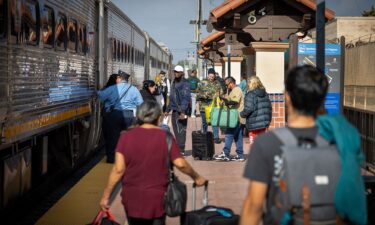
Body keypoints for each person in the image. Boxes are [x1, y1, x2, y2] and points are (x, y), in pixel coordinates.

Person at [240, 65, 367, 225]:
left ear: (287, 97)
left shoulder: (267, 143)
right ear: (321, 98)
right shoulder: (341, 137)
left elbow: (254, 207)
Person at [100, 101, 207, 225]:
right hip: (158, 197)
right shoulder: (165, 136)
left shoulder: (125, 137)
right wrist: (196, 177)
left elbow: (118, 170)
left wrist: (106, 196)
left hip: (131, 197)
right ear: (157, 117)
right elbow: (180, 164)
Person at [97, 72, 143, 163]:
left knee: (112, 137)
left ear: (119, 78)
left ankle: (112, 159)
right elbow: (140, 103)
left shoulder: (112, 88)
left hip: (114, 115)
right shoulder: (134, 89)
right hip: (129, 115)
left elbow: (101, 96)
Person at [214, 77, 245, 161]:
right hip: (235, 117)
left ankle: (226, 153)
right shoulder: (232, 91)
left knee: (229, 134)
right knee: (238, 137)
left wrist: (226, 101)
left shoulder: (237, 89)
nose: (227, 86)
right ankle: (240, 155)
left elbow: (235, 101)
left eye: (227, 84)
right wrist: (221, 97)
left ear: (231, 83)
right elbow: (228, 100)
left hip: (236, 117)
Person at [166, 65, 191, 155]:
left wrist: (183, 110)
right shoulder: (174, 82)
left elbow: (186, 97)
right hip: (174, 110)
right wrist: (167, 109)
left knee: (181, 130)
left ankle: (181, 149)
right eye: (174, 72)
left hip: (181, 110)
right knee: (176, 130)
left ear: (181, 73)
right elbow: (172, 97)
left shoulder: (185, 83)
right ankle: (179, 148)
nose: (175, 73)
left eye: (177, 72)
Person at [240, 76, 272, 145]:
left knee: (253, 145)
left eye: (249, 83)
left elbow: (249, 109)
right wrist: (268, 120)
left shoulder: (250, 94)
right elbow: (269, 108)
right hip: (264, 123)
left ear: (252, 84)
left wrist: (242, 114)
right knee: (262, 143)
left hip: (253, 123)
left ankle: (255, 155)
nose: (248, 85)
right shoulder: (265, 93)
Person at [196, 68, 222, 143]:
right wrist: (203, 95)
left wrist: (219, 94)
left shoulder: (217, 83)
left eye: (212, 77)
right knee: (204, 122)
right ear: (208, 75)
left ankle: (216, 138)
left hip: (214, 107)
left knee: (215, 122)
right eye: (210, 76)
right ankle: (204, 136)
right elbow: (197, 94)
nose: (211, 78)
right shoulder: (202, 82)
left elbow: (222, 93)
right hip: (204, 107)